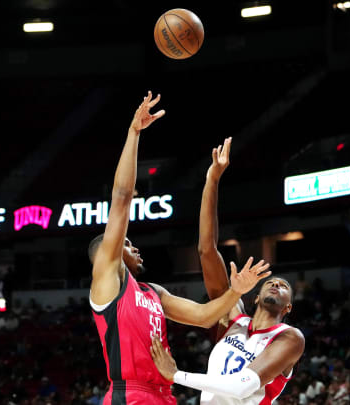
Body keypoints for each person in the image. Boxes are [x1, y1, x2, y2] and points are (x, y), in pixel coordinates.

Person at [89, 94, 272, 405]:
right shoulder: (107, 277)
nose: (136, 249)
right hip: (129, 394)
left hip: (164, 394)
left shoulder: (152, 292)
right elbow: (121, 198)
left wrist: (235, 292)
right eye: (129, 245)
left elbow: (203, 317)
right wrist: (134, 133)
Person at [149, 137, 305, 404]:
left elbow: (240, 388)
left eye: (284, 286)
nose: (277, 285)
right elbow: (206, 250)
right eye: (272, 282)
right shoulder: (232, 320)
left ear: (288, 308)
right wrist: (212, 180)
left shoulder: (289, 337)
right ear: (255, 296)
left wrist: (176, 375)